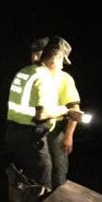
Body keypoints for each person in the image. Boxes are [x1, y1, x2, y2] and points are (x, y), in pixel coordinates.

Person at [4, 39, 79, 188]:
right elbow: (41, 114)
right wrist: (66, 111)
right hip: (33, 132)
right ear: (56, 59)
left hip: (14, 130)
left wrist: (68, 135)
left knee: (38, 174)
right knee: (43, 178)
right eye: (62, 62)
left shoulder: (24, 71)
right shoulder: (44, 77)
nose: (62, 67)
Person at [30, 36, 82, 188]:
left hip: (56, 131)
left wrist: (68, 136)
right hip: (34, 130)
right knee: (39, 173)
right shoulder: (32, 75)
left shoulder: (64, 78)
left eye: (38, 53)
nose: (34, 57)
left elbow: (75, 110)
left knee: (58, 173)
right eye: (32, 53)